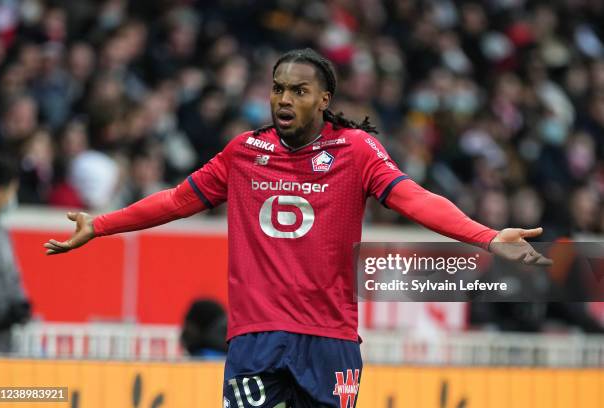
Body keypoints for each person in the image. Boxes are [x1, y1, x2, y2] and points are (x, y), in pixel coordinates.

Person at [45, 49, 551, 408]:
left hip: (329, 338)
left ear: (323, 97)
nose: (283, 98)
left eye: (298, 90)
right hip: (256, 338)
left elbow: (412, 197)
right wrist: (103, 224)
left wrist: (484, 236)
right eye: (278, 88)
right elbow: (178, 201)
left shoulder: (355, 150)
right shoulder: (244, 151)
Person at [0, 154, 32, 353]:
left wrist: (19, 304)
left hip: (2, 343)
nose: (12, 198)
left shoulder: (0, 234)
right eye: (11, 191)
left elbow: (10, 277)